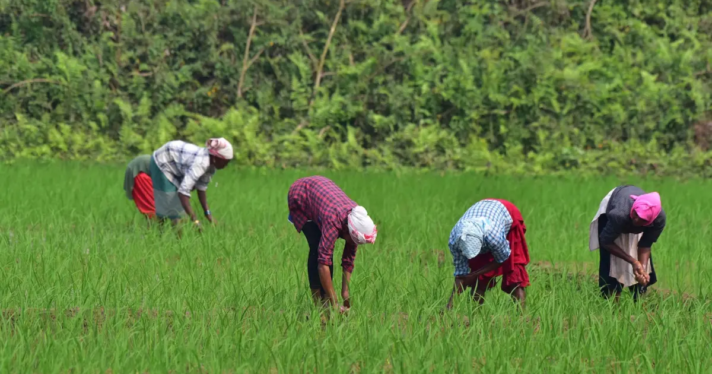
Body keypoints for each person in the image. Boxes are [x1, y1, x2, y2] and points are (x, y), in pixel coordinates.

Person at [287, 176, 377, 313]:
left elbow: (348, 260)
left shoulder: (355, 219)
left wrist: (345, 293)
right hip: (301, 195)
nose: (355, 245)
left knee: (325, 251)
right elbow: (323, 263)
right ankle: (319, 303)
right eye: (354, 241)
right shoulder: (333, 219)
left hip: (322, 194)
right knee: (317, 248)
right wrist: (334, 302)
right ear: (347, 230)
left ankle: (327, 302)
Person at [446, 199, 530, 309]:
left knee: (514, 270)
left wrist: (473, 275)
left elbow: (503, 258)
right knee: (479, 275)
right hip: (482, 212)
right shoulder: (455, 241)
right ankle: (474, 316)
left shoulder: (494, 237)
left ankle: (521, 318)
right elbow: (461, 274)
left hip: (506, 212)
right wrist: (450, 304)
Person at [589, 185, 665, 301]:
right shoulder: (619, 214)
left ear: (649, 221)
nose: (636, 220)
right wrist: (633, 261)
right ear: (634, 209)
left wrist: (642, 269)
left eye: (642, 220)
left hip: (634, 216)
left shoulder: (658, 219)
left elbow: (645, 245)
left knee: (640, 263)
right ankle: (612, 304)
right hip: (613, 210)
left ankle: (639, 301)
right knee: (611, 263)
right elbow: (605, 241)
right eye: (635, 216)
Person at [149, 138, 233, 229]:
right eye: (225, 162)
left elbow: (201, 188)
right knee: (175, 211)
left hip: (177, 166)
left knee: (174, 208)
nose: (226, 165)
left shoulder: (211, 167)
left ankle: (160, 232)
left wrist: (208, 215)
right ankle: (160, 234)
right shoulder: (201, 163)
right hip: (163, 160)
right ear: (216, 158)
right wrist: (195, 221)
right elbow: (183, 193)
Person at [123, 155, 155, 220]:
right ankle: (155, 228)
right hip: (138, 172)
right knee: (153, 207)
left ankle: (155, 228)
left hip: (143, 169)